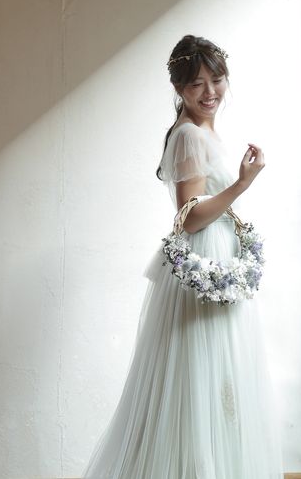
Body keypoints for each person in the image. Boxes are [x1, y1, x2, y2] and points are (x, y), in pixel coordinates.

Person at [81, 35, 284, 478]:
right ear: (179, 89)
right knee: (200, 377)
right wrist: (242, 183)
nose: (210, 92)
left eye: (217, 80)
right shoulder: (190, 134)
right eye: (197, 84)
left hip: (219, 259)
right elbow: (189, 217)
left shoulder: (202, 130)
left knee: (219, 377)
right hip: (205, 262)